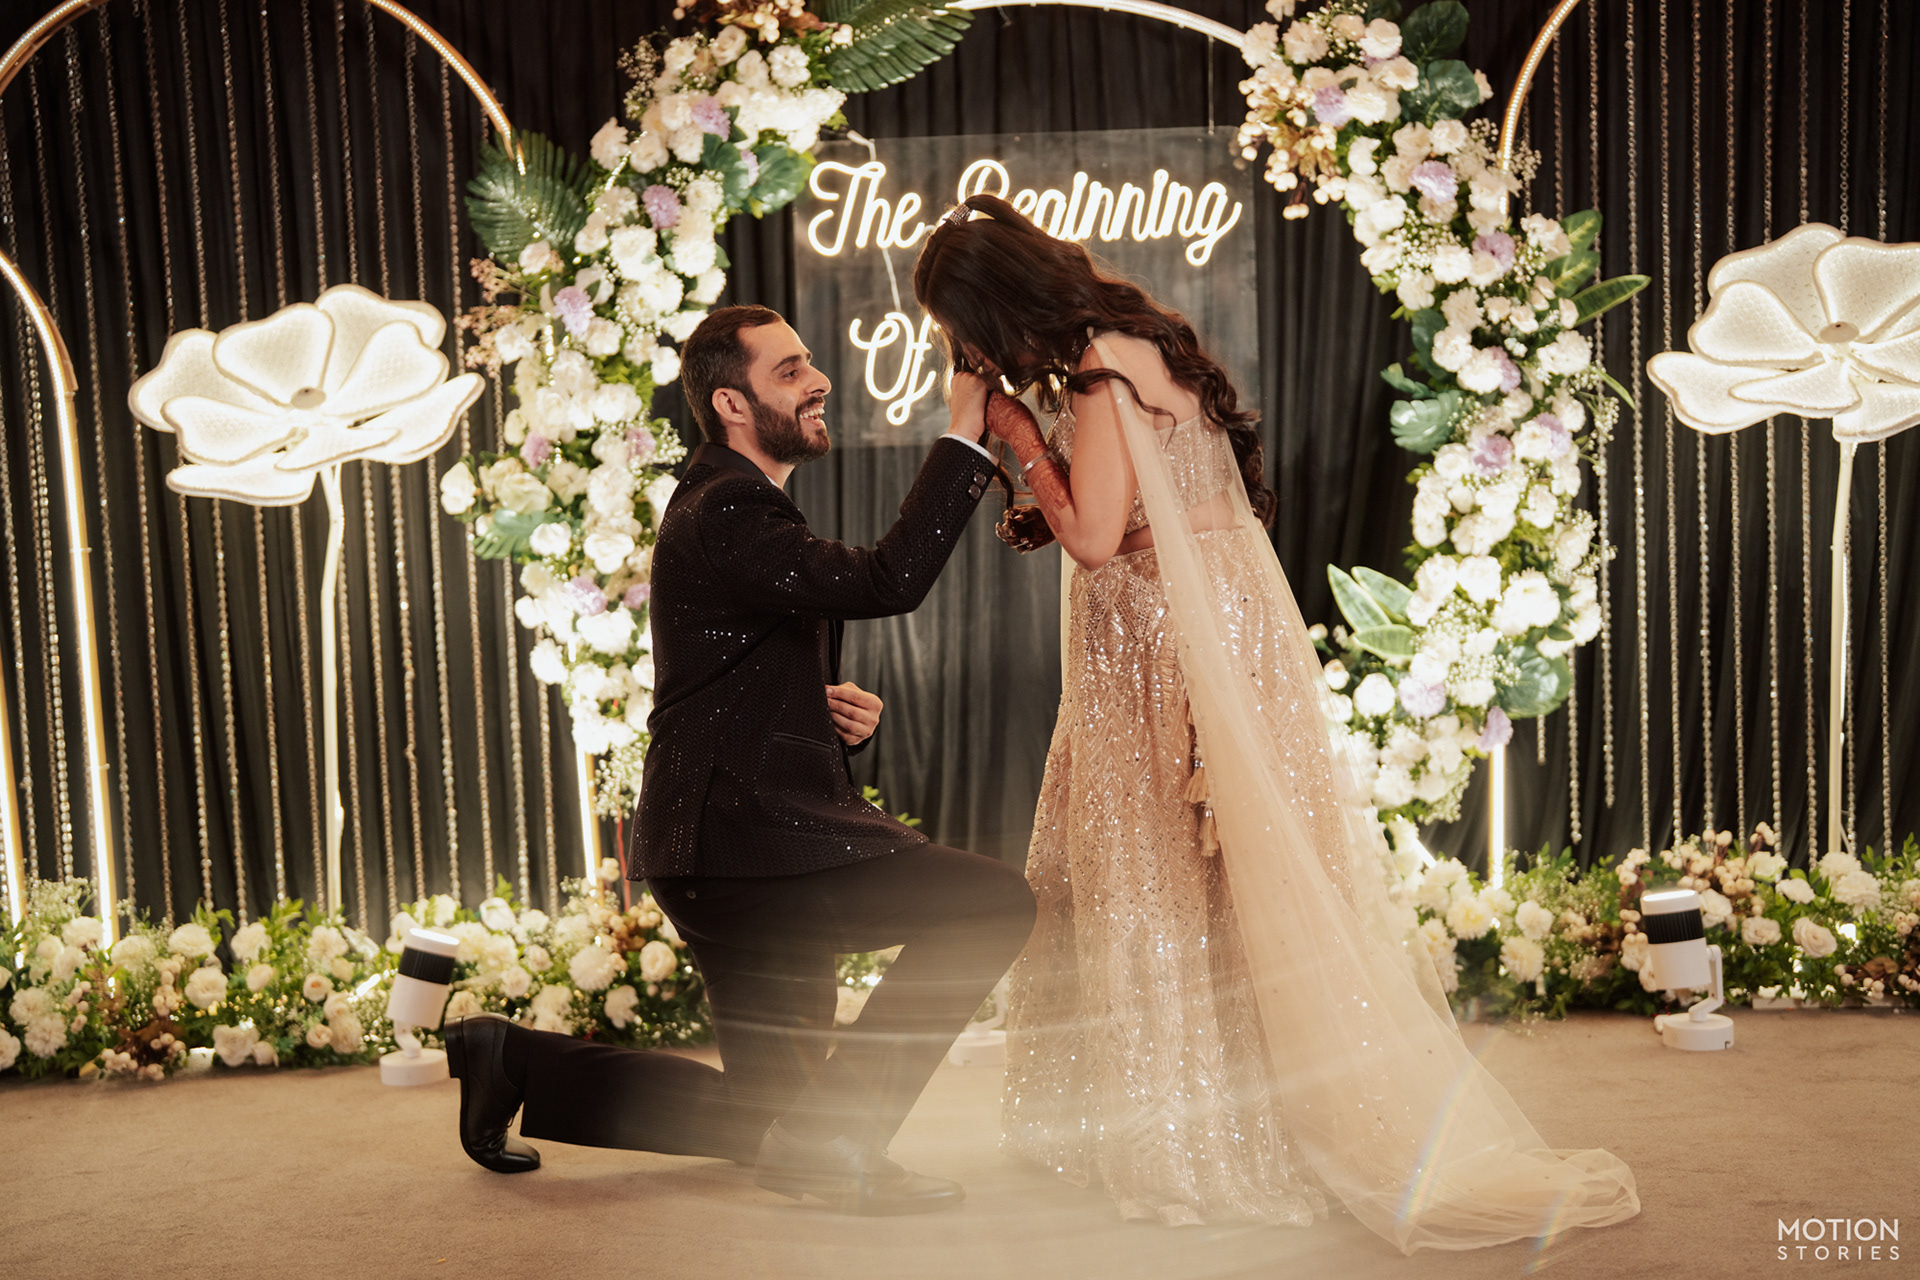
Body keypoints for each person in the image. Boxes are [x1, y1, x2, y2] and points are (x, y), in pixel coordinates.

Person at [911, 196, 1638, 1251]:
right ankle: (1201, 1117)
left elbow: (1099, 537)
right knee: (1176, 877)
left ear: (994, 306)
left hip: (1169, 642)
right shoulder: (1119, 347)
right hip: (1182, 628)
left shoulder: (1100, 368)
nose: (967, 352)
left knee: (1171, 875)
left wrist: (1016, 437)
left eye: (961, 328)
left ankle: (1200, 1138)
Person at [444, 305, 1037, 1216]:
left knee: (772, 1116)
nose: (818, 380)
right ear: (730, 402)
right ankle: (838, 1140)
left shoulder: (729, 501)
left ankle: (512, 1060)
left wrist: (827, 715)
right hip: (746, 845)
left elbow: (728, 676)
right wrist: (965, 430)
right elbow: (888, 579)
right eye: (789, 370)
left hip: (718, 846)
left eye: (809, 363)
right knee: (992, 903)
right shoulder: (727, 503)